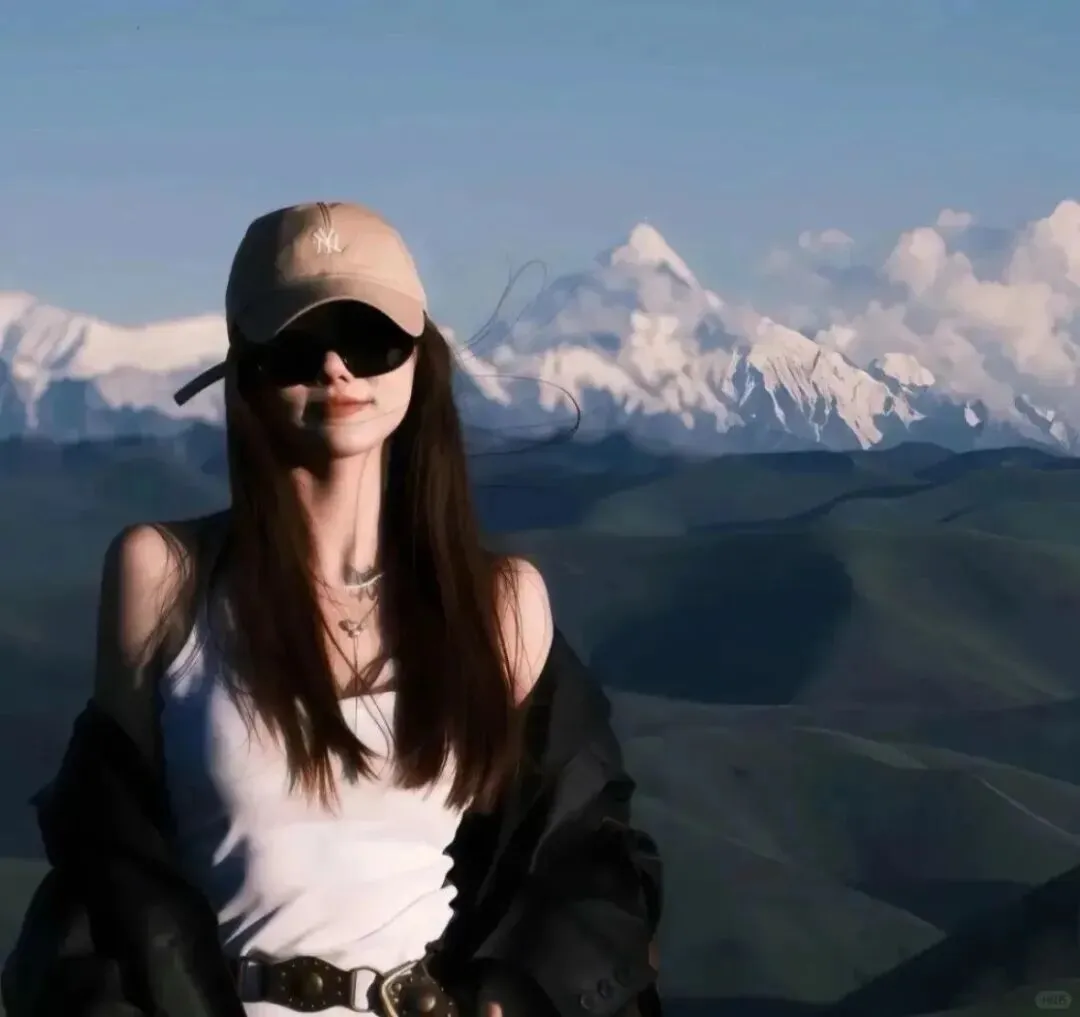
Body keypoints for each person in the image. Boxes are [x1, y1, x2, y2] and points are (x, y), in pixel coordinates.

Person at [1, 202, 662, 1017]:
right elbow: (112, 862)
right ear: (246, 372)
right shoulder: (163, 577)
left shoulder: (502, 604)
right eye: (298, 345)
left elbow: (581, 852)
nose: (338, 368)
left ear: (421, 360)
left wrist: (514, 992)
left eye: (370, 337)